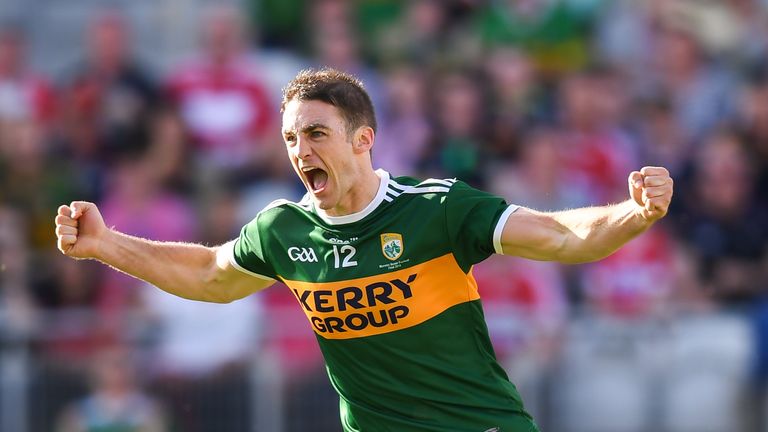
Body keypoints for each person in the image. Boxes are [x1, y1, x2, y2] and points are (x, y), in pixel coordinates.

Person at [54, 68, 674, 432]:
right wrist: (107, 245)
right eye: (292, 138)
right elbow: (213, 275)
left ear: (364, 140)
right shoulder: (283, 231)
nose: (301, 152)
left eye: (317, 134)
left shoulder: (436, 208)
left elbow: (561, 236)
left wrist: (633, 210)